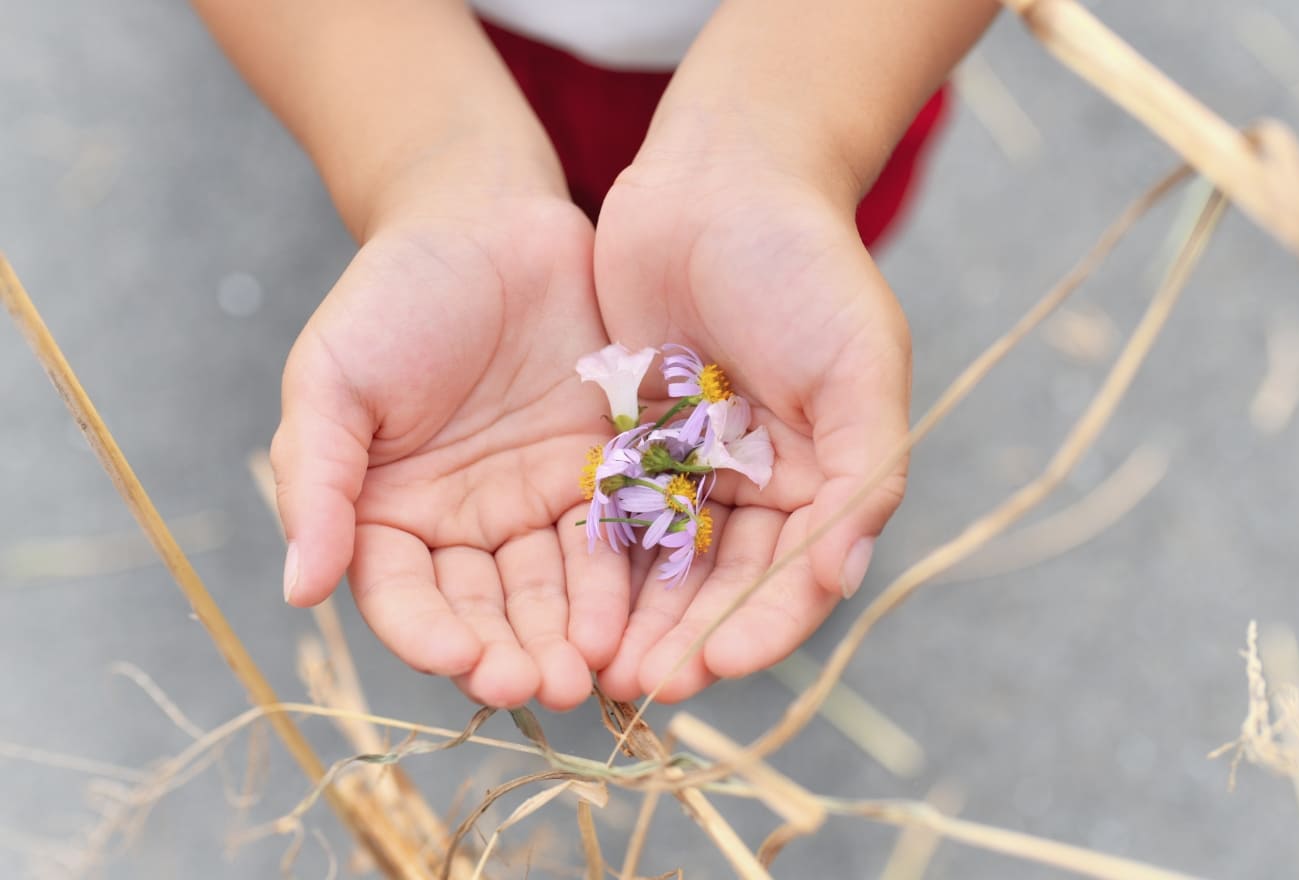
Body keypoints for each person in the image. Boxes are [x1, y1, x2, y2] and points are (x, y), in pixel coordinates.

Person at [192, 0, 1000, 711]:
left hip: (830, 60)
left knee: (795, 273)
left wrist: (783, 149)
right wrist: (428, 171)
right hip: (409, 61)